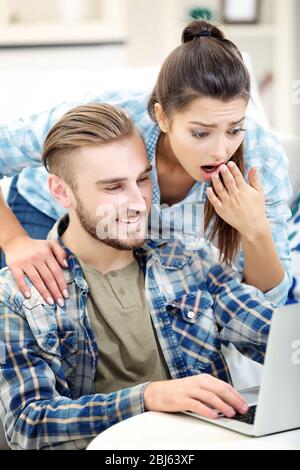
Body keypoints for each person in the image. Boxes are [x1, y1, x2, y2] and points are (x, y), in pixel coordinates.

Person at [0, 103, 274, 450]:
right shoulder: (17, 295)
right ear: (61, 191)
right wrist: (148, 397)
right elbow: (29, 425)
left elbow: (272, 334)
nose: (139, 203)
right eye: (113, 187)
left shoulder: (189, 262)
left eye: (143, 180)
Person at [0, 20, 291, 308]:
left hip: (130, 250)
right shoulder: (111, 117)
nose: (220, 151)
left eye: (234, 129)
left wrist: (256, 230)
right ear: (162, 117)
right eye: (200, 133)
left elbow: (267, 305)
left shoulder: (260, 159)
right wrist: (14, 240)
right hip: (43, 215)